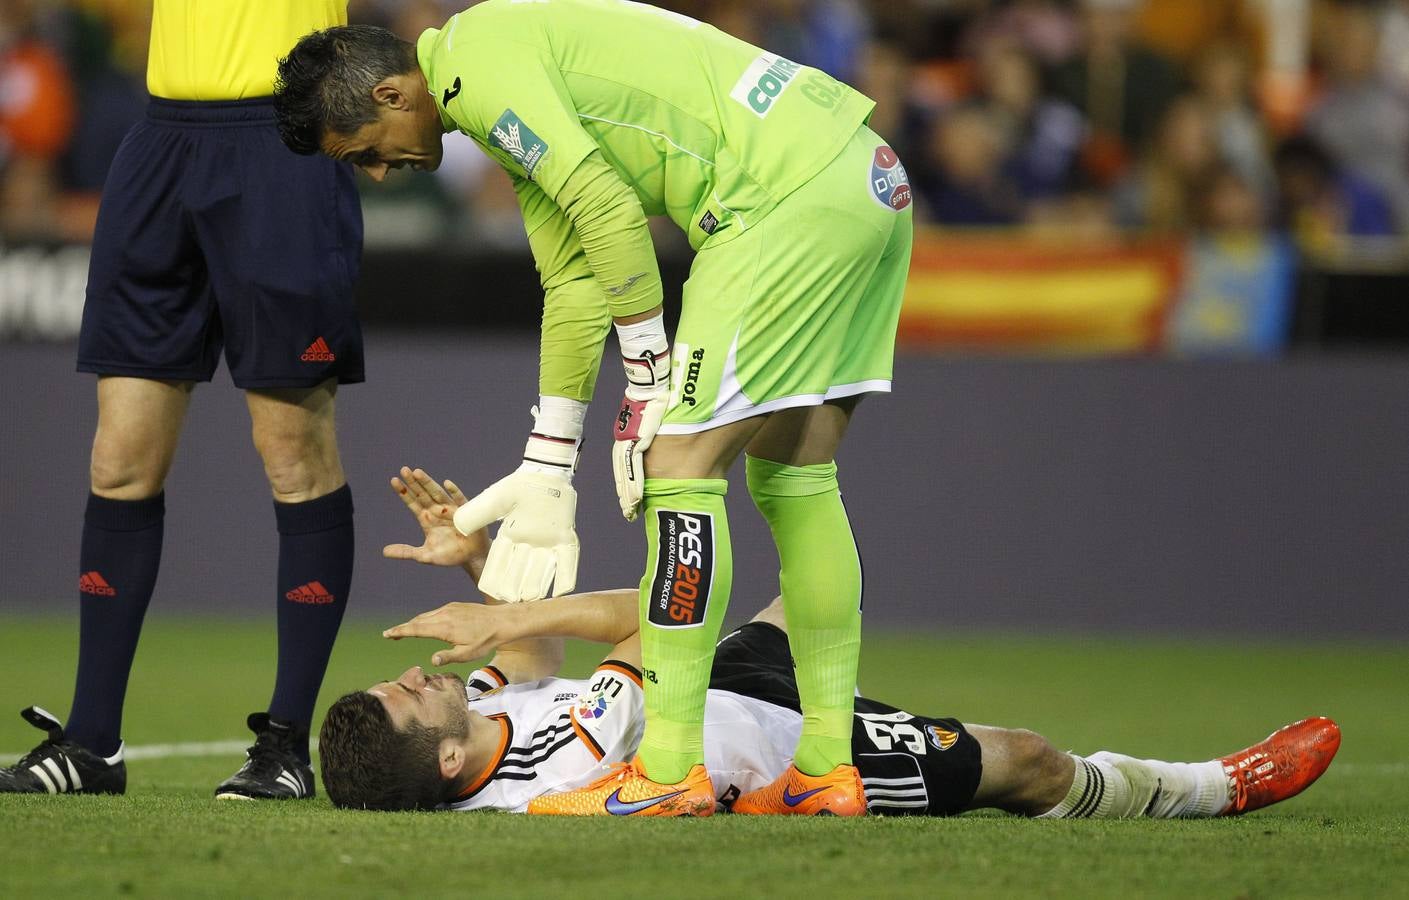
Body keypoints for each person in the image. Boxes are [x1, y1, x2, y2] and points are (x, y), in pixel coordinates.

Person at [274, 0, 914, 816]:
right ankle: (824, 768)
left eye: (365, 151)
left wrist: (647, 374)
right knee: (794, 476)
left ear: (396, 94)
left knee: (675, 467)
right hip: (861, 177)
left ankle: (668, 770)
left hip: (773, 201)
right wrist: (550, 455)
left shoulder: (475, 69)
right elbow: (574, 283)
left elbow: (609, 210)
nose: (373, 172)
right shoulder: (497, 74)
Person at [318, 469, 1342, 815]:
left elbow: (525, 659)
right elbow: (656, 612)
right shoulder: (566, 764)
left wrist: (478, 568)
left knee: (807, 595)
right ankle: (1212, 786)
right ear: (449, 761)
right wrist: (510, 612)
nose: (417, 674)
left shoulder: (477, 730)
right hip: (793, 748)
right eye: (414, 695)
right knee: (1024, 761)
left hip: (720, 686)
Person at [0, 0, 365, 801]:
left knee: (293, 452)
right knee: (119, 458)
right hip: (161, 137)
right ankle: (91, 744)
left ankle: (285, 748)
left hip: (285, 139)